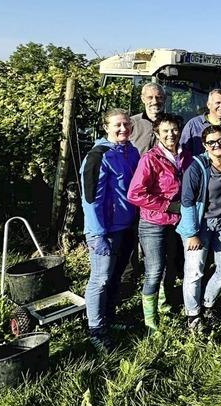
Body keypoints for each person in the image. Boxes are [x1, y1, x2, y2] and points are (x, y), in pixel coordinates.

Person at [80, 108, 140, 352]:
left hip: (126, 227)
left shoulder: (132, 152)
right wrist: (96, 233)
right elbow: (91, 198)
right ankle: (95, 328)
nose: (123, 129)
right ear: (106, 128)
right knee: (100, 279)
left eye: (126, 124)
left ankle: (109, 318)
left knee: (115, 276)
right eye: (117, 125)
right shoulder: (98, 156)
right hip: (105, 230)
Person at [177, 125, 221, 330]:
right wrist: (191, 234)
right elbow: (187, 201)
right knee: (194, 271)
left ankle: (208, 302)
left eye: (220, 140)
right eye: (211, 143)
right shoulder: (197, 166)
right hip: (201, 224)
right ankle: (192, 314)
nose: (217, 145)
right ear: (205, 146)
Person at [127, 113, 190, 331]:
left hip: (177, 223)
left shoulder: (185, 156)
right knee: (154, 270)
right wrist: (166, 205)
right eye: (165, 131)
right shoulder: (151, 159)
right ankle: (150, 321)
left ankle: (164, 306)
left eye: (174, 130)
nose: (171, 134)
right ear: (157, 133)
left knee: (169, 267)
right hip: (154, 223)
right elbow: (135, 194)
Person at [130, 83, 167, 155]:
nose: (155, 101)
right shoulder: (131, 123)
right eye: (150, 97)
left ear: (165, 99)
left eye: (159, 97)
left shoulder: (173, 124)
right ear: (143, 99)